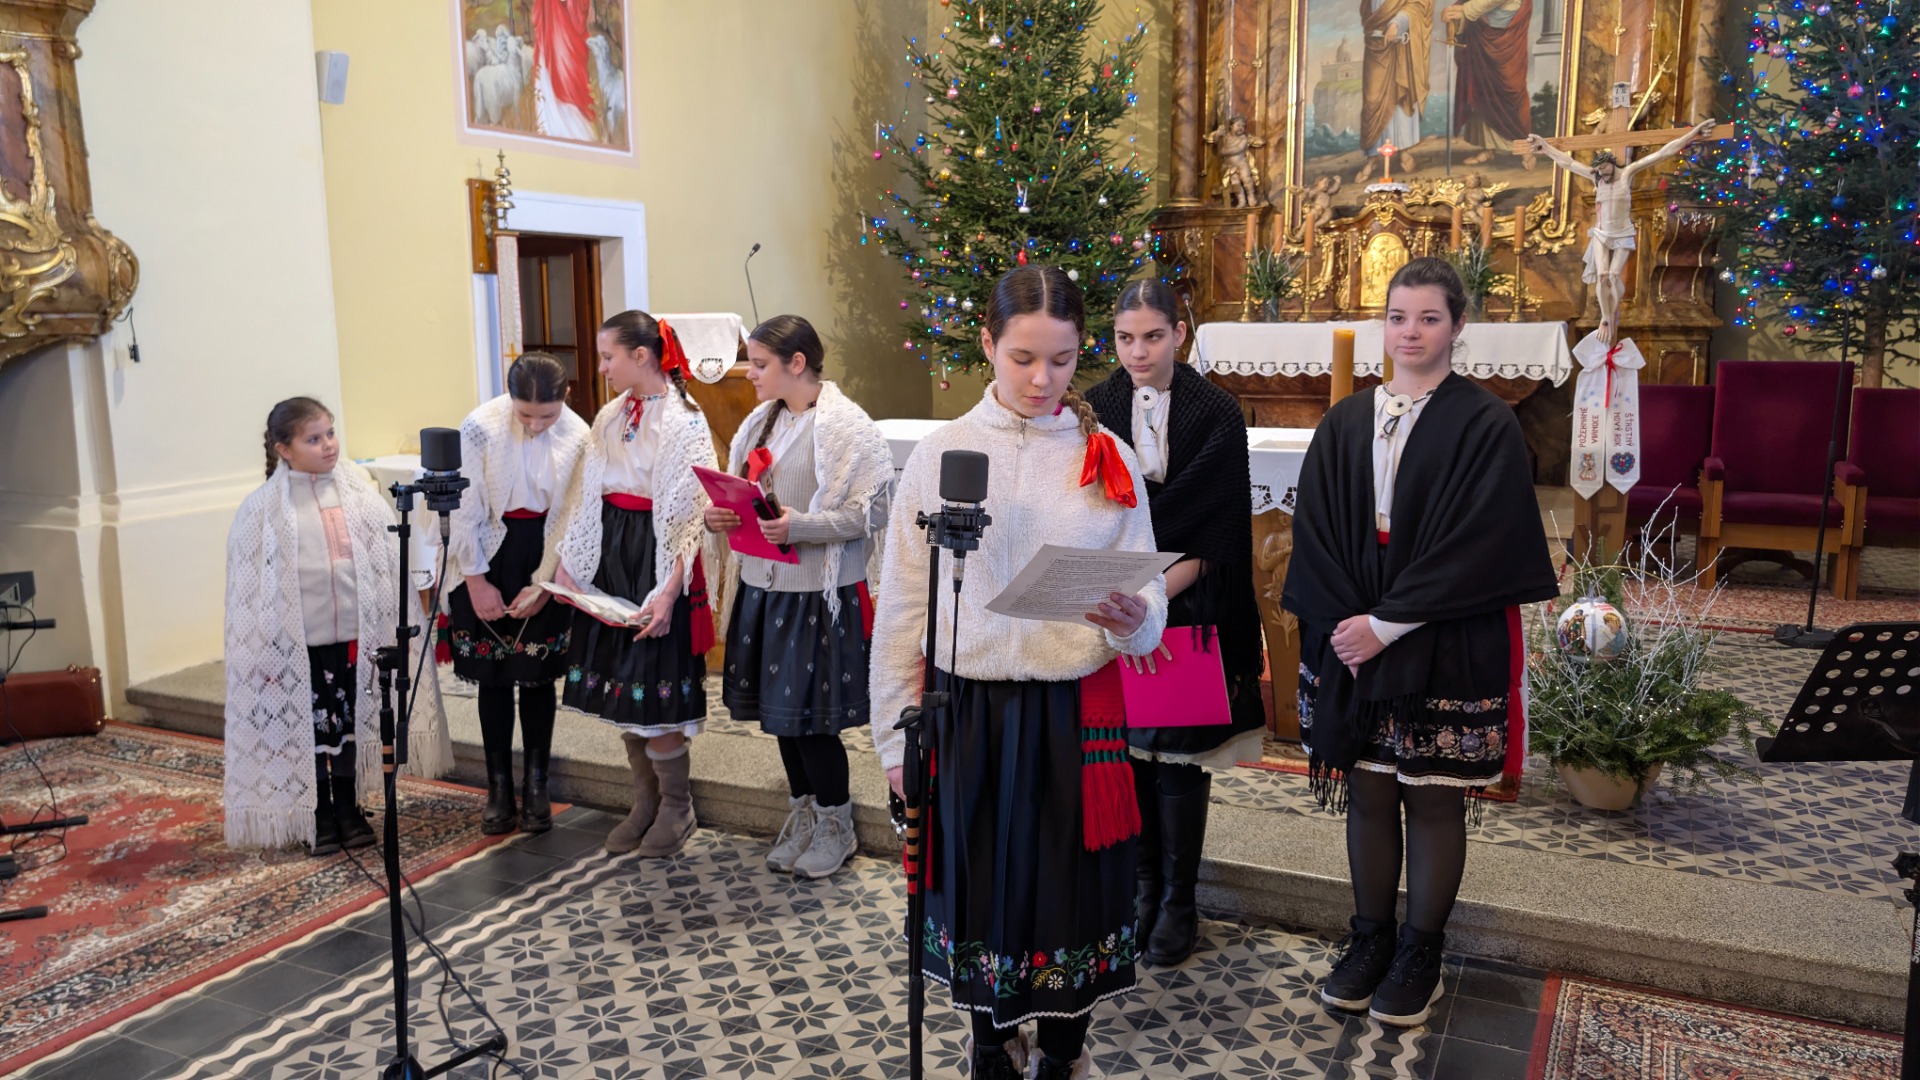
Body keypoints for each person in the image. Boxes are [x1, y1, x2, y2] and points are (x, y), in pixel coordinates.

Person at [871, 266, 1167, 1080]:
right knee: (977, 879)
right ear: (987, 346)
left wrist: (1137, 619)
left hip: (1075, 712)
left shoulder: (1107, 455)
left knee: (1071, 887)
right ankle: (988, 1039)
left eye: (1064, 360)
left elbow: (1145, 587)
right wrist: (893, 740)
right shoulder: (940, 456)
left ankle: (1065, 1049)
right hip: (970, 711)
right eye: (1023, 358)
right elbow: (903, 606)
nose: (1043, 380)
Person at [1282, 257, 1557, 1026]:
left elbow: (1482, 542)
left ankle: (1420, 949)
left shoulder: (1485, 422)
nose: (1411, 332)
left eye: (1429, 318)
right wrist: (1349, 624)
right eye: (1398, 317)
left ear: (1457, 326)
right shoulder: (1345, 419)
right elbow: (1318, 529)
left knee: (1430, 795)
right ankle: (1369, 938)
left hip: (1441, 632)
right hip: (1352, 633)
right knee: (1368, 788)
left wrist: (1386, 624)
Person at [1085, 279, 1267, 967]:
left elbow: (1218, 528)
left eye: (1152, 336)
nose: (1138, 351)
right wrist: (1119, 591)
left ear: (1180, 334)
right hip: (1110, 604)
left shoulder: (1215, 411)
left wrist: (1153, 590)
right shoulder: (1093, 407)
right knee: (1129, 751)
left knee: (1179, 761)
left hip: (1186, 599)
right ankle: (1141, 888)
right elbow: (1088, 510)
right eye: (1125, 337)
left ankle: (1179, 900)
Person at [706, 315, 892, 879]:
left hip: (817, 592)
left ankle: (837, 825)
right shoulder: (761, 422)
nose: (750, 373)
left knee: (812, 722)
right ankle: (805, 816)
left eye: (760, 364)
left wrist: (801, 526)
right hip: (764, 586)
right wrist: (724, 515)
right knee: (780, 717)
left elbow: (874, 512)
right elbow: (754, 500)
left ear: (797, 364)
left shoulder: (847, 427)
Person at [224, 397, 451, 854]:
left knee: (349, 727)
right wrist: (262, 649)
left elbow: (386, 567)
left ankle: (347, 806)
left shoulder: (359, 494)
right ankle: (318, 810)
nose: (328, 445)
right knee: (312, 729)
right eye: (313, 438)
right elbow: (249, 590)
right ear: (283, 449)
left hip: (354, 638)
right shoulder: (262, 510)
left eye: (330, 433)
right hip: (298, 644)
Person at [552, 311, 717, 858]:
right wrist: (568, 568)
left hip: (657, 555)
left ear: (641, 356)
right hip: (611, 551)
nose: (601, 368)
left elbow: (690, 517)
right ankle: (644, 800)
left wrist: (668, 592)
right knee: (623, 686)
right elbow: (587, 493)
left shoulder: (685, 422)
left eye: (608, 357)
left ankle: (676, 804)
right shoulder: (609, 414)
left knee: (654, 686)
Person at [446, 353, 590, 835]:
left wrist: (546, 583)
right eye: (524, 413)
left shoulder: (578, 434)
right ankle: (498, 788)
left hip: (542, 553)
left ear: (564, 398)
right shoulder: (480, 428)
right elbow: (464, 507)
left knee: (536, 675)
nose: (533, 424)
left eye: (546, 415)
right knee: (493, 676)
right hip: (489, 549)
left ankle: (537, 786)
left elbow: (572, 514)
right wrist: (475, 578)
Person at [1525, 120, 1716, 341]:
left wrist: (1692, 134)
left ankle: (1612, 315)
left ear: (1611, 164)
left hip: (1623, 233)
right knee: (1602, 276)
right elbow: (1568, 163)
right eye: (1598, 170)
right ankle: (1605, 317)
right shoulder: (1596, 178)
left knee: (1614, 276)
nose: (1601, 173)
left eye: (1603, 169)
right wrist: (1545, 147)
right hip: (1601, 233)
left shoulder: (1627, 174)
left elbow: (1663, 153)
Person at [1445, 0, 1534, 167]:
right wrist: (1457, 14)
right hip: (1481, 35)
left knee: (1509, 91)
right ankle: (1489, 148)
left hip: (1506, 38)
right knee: (1482, 91)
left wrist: (1464, 10)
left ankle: (1524, 148)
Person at [1356, 0, 1433, 182]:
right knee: (1373, 100)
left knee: (1401, 96)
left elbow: (1419, 5)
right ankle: (1372, 157)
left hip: (1400, 46)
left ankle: (1403, 149)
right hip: (1376, 44)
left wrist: (1397, 22)